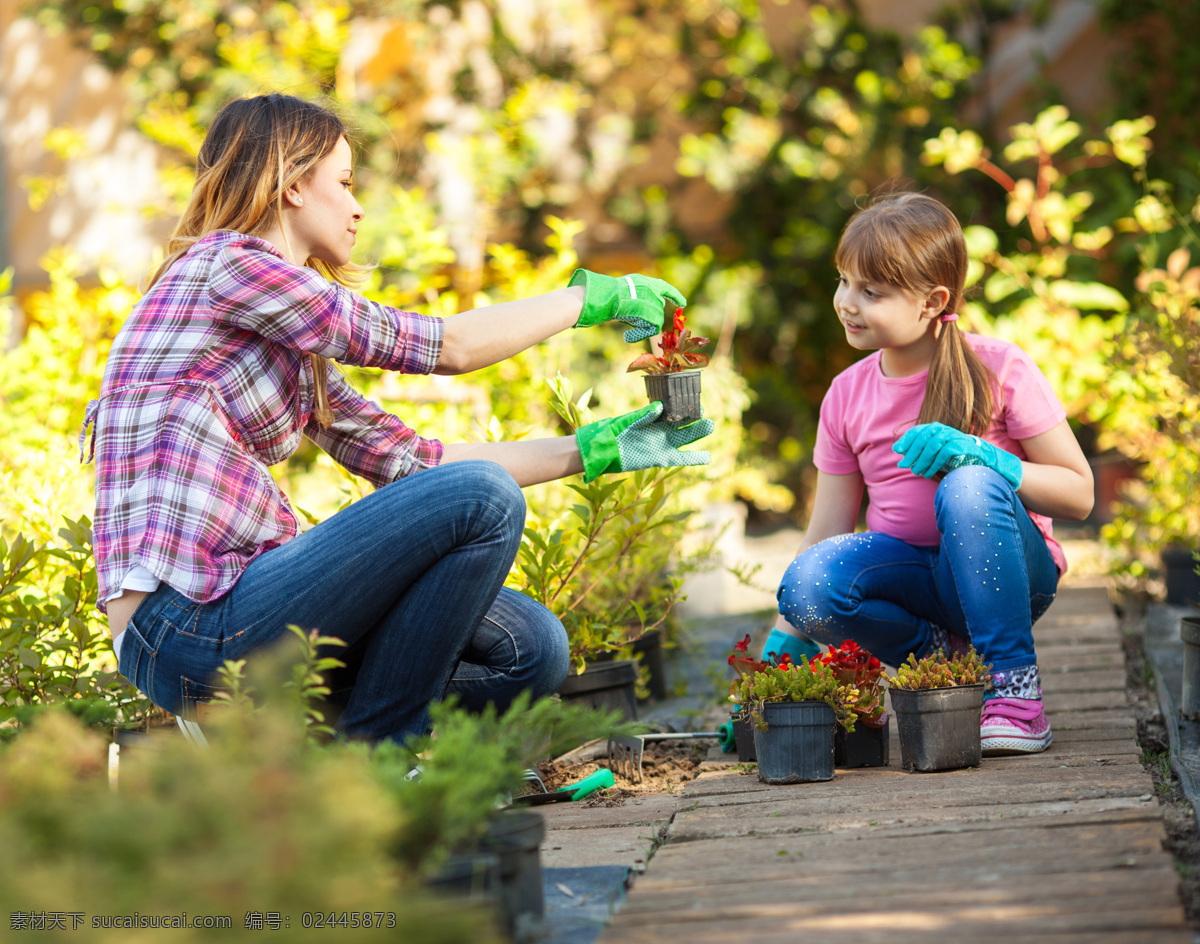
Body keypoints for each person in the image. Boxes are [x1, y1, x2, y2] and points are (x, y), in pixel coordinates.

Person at [81, 93, 712, 745]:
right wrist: (590, 298)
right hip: (182, 626)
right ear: (294, 184)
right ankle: (384, 761)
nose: (357, 207)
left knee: (532, 649)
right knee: (484, 499)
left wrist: (598, 447)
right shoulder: (229, 265)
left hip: (241, 616)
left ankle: (333, 765)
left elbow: (417, 465)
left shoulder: (290, 342)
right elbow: (449, 347)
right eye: (345, 182)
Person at [765, 192, 1093, 755]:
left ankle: (1015, 688)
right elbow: (825, 533)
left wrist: (987, 458)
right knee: (808, 581)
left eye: (872, 292)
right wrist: (776, 656)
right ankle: (944, 657)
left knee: (967, 482)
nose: (847, 302)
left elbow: (1080, 495)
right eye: (843, 281)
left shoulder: (999, 367)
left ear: (931, 301)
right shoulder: (846, 395)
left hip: (1013, 578)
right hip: (913, 585)